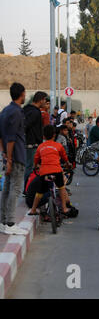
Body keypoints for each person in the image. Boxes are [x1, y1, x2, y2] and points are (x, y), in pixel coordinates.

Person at [0, 83, 29, 235]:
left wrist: (4, 154)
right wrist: (10, 159)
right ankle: (10, 223)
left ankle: (3, 221)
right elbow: (11, 138)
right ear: (22, 94)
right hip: (16, 156)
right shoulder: (17, 112)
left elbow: (1, 136)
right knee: (15, 189)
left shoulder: (5, 110)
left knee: (6, 189)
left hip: (8, 155)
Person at [29, 125, 71, 216]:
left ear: (43, 136)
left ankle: (33, 209)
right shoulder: (58, 146)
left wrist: (35, 166)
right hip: (57, 171)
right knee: (61, 187)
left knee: (40, 192)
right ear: (54, 135)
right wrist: (68, 164)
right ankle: (64, 208)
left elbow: (36, 159)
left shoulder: (40, 147)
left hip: (44, 172)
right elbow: (64, 157)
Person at [23, 91, 47, 190]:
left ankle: (27, 188)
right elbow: (26, 125)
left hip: (27, 143)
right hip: (33, 144)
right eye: (45, 99)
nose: (45, 102)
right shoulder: (35, 112)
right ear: (40, 100)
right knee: (31, 167)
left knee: (29, 166)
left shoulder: (26, 109)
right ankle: (27, 189)